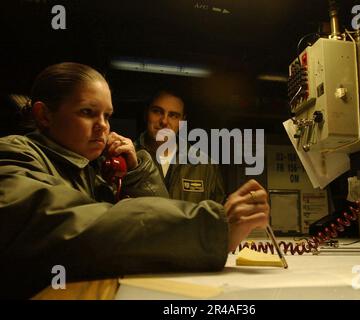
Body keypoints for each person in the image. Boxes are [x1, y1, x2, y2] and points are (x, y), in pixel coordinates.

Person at [0, 62, 270, 299]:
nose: (103, 126)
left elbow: (158, 224)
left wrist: (138, 172)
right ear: (44, 115)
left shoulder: (87, 171)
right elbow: (80, 225)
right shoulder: (13, 155)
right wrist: (211, 227)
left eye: (107, 115)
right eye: (87, 112)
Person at [135, 90, 225, 203]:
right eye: (157, 112)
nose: (164, 121)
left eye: (173, 115)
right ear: (146, 114)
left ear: (182, 121)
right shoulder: (130, 157)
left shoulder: (204, 166)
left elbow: (217, 215)